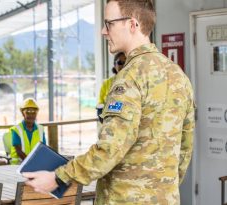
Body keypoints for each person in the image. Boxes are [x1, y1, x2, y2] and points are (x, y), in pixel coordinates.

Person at [22, 1, 195, 204]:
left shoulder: (129, 78)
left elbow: (109, 149)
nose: (103, 31)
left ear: (132, 24)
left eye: (109, 23)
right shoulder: (178, 75)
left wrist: (59, 177)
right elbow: (185, 149)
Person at [9, 98, 46, 165]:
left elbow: (43, 149)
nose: (31, 115)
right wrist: (31, 164)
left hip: (35, 164)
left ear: (36, 114)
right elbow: (19, 152)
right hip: (18, 165)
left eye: (34, 112)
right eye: (28, 112)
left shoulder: (41, 129)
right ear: (23, 113)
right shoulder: (17, 129)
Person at [96, 52, 126, 123]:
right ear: (115, 65)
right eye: (120, 62)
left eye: (126, 62)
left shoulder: (136, 83)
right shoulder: (106, 84)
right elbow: (101, 105)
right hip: (111, 125)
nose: (123, 65)